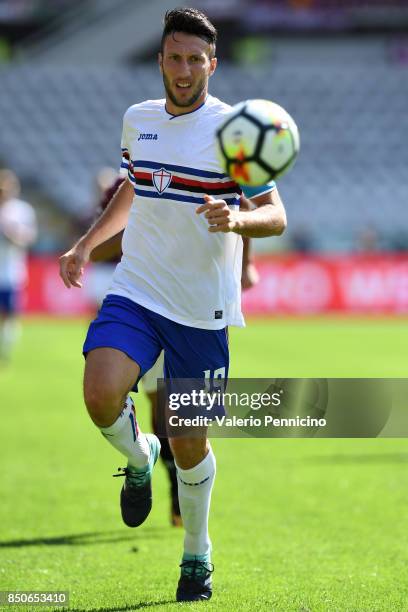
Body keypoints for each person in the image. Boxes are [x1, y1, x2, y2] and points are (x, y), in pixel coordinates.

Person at [59, 7, 286, 602]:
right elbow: (133, 186)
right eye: (175, 57)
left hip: (202, 309)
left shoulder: (235, 131)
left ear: (212, 63)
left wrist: (236, 217)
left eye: (196, 59)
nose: (184, 69)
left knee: (191, 445)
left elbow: (277, 213)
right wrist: (86, 245)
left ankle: (197, 553)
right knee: (99, 392)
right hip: (138, 288)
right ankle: (139, 455)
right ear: (160, 59)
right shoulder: (139, 120)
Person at [90, 192, 260, 528]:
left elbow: (249, 204)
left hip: (197, 307)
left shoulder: (207, 169)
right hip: (148, 305)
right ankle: (165, 478)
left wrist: (246, 263)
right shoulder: (131, 182)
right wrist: (92, 247)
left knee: (183, 418)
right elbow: (117, 238)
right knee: (160, 409)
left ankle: (182, 503)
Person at [0, 169, 37, 362]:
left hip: (11, 272)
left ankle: (5, 350)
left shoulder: (22, 210)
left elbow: (30, 237)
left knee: (10, 315)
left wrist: (13, 235)